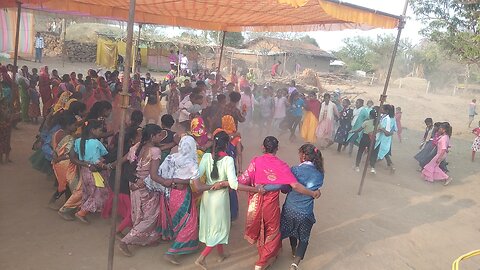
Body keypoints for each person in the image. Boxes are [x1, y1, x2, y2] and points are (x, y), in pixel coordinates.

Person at [237, 136, 321, 270]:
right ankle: (262, 261)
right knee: (272, 231)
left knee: (260, 227)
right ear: (277, 149)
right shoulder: (282, 166)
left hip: (255, 203)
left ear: (263, 148)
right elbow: (288, 187)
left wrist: (257, 188)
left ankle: (263, 255)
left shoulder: (255, 162)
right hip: (271, 205)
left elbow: (242, 181)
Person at [193, 131, 264, 269]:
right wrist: (256, 190)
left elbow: (195, 176)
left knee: (214, 226)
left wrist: (207, 186)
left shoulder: (207, 156)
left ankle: (221, 254)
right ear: (226, 144)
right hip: (220, 199)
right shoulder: (228, 160)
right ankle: (201, 258)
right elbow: (234, 184)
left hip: (207, 198)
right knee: (219, 228)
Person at [118, 124, 167, 256]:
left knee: (138, 213)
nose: (160, 137)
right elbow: (154, 175)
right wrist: (167, 183)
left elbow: (128, 167)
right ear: (152, 136)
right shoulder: (155, 151)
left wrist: (135, 181)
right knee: (151, 216)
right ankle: (125, 241)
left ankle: (146, 239)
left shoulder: (136, 147)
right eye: (158, 135)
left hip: (133, 183)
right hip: (146, 186)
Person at [153, 135, 200, 265]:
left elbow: (161, 173)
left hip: (171, 193)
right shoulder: (191, 163)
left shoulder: (171, 157)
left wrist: (171, 181)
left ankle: (180, 243)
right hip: (183, 193)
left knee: (179, 220)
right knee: (189, 224)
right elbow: (197, 186)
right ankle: (172, 252)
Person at [280, 144, 324, 270]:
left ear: (303, 156)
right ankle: (295, 263)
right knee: (304, 238)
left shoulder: (294, 170)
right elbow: (317, 190)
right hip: (305, 211)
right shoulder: (320, 173)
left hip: (290, 209)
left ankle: (293, 250)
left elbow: (285, 189)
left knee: (291, 230)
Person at [69, 120, 112, 223]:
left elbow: (73, 158)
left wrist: (86, 164)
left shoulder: (78, 141)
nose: (101, 133)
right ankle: (82, 213)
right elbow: (98, 159)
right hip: (95, 172)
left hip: (84, 170)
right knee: (98, 192)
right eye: (100, 130)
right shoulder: (96, 143)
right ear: (93, 130)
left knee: (88, 191)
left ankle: (84, 208)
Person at [49, 112, 78, 210]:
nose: (76, 127)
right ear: (68, 125)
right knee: (66, 185)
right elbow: (69, 153)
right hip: (65, 164)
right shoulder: (69, 138)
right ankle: (66, 205)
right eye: (75, 125)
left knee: (64, 184)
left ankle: (63, 203)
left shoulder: (57, 133)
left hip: (57, 163)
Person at [370, 105, 397, 174]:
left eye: (382, 108)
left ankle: (372, 164)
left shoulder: (387, 119)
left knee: (379, 150)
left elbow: (382, 128)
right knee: (385, 152)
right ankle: (391, 165)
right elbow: (395, 128)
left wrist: (374, 132)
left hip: (382, 137)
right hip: (387, 138)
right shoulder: (392, 118)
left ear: (386, 111)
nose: (381, 109)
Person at [0, 98, 13, 164]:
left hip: (3, 128)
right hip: (5, 128)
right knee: (6, 143)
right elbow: (9, 118)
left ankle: (2, 160)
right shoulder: (6, 109)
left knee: (2, 143)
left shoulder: (4, 109)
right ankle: (6, 159)